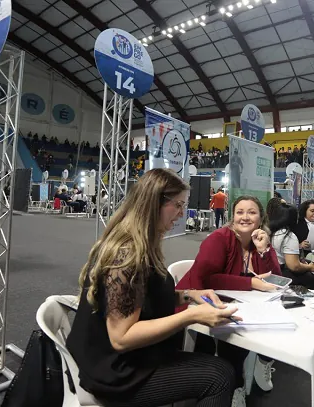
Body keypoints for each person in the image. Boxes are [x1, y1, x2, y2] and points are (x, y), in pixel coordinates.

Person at [66, 168, 240, 407]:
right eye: (177, 205)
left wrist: (189, 295)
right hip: (117, 373)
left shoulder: (140, 243)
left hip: (127, 359)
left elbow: (146, 297)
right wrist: (191, 316)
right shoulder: (126, 255)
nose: (181, 213)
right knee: (220, 375)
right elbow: (121, 338)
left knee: (211, 366)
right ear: (154, 202)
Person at [176, 196, 281, 403]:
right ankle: (233, 384)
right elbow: (207, 279)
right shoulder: (219, 238)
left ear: (261, 218)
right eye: (239, 212)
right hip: (196, 299)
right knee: (234, 328)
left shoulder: (257, 242)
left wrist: (264, 251)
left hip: (236, 303)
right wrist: (251, 283)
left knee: (242, 327)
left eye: (251, 212)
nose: (245, 217)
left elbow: (275, 278)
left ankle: (237, 381)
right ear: (232, 217)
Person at [269, 202, 314, 289]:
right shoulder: (288, 236)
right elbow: (294, 266)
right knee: (311, 276)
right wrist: (310, 267)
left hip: (270, 271)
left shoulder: (270, 232)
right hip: (280, 274)